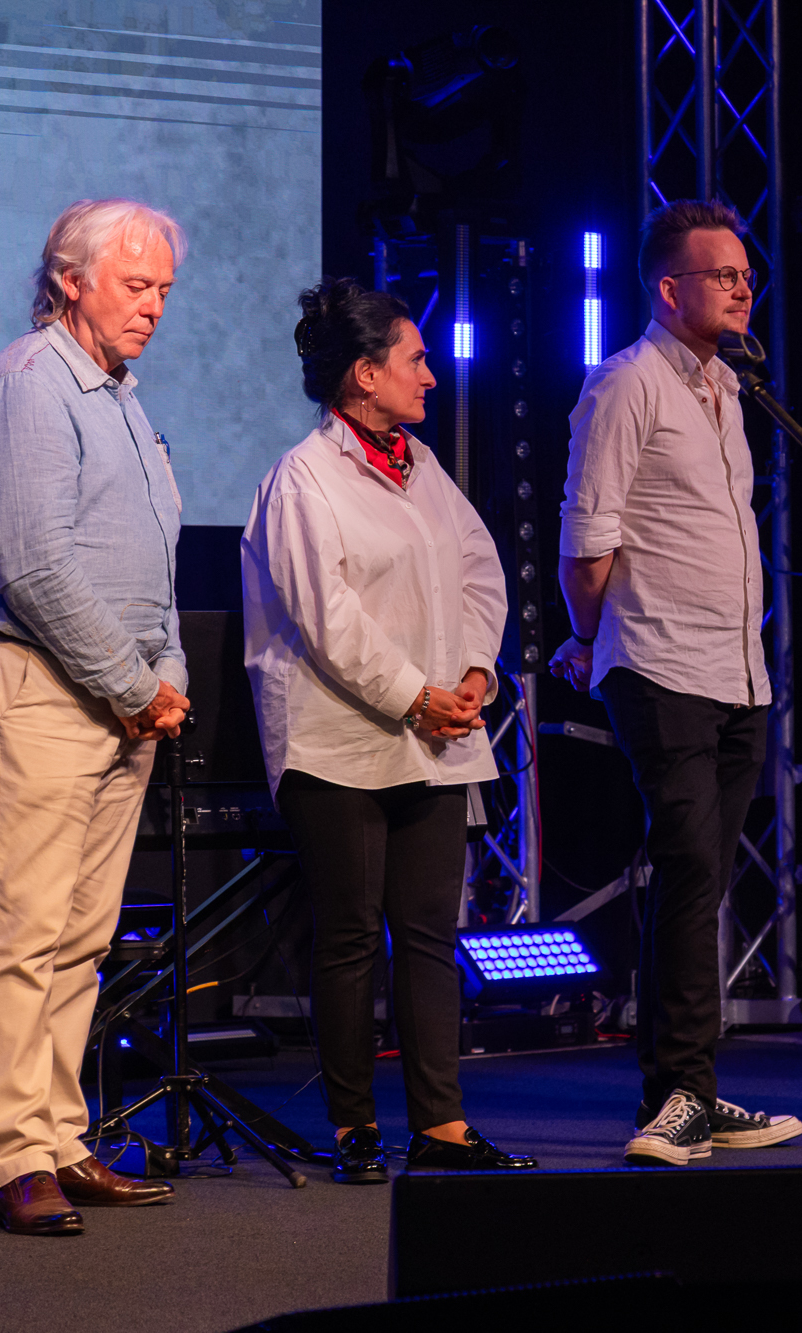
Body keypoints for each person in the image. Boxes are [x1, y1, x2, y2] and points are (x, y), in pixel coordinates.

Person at [242, 277, 536, 1182]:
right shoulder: (304, 478)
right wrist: (416, 694)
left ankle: (441, 1127)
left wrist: (476, 670)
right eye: (416, 359)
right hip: (338, 740)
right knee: (349, 937)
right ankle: (353, 1128)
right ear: (365, 374)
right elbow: (327, 620)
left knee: (429, 936)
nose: (431, 376)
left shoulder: (422, 465)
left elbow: (480, 568)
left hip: (434, 737)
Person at [0, 198, 191, 1234]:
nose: (154, 307)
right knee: (25, 927)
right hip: (40, 680)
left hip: (116, 696)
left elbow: (153, 566)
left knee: (82, 936)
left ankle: (58, 1135)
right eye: (135, 286)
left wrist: (165, 670)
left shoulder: (122, 398)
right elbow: (37, 567)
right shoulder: (29, 386)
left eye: (164, 290)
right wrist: (136, 686)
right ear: (69, 280)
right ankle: (15, 1155)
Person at [551, 200, 802, 1166]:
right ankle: (679, 1095)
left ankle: (688, 1091)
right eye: (723, 274)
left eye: (747, 274)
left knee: (703, 876)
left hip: (738, 671)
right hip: (660, 663)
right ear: (669, 288)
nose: (744, 288)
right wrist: (591, 638)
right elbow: (588, 541)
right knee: (691, 867)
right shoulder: (626, 383)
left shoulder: (729, 388)